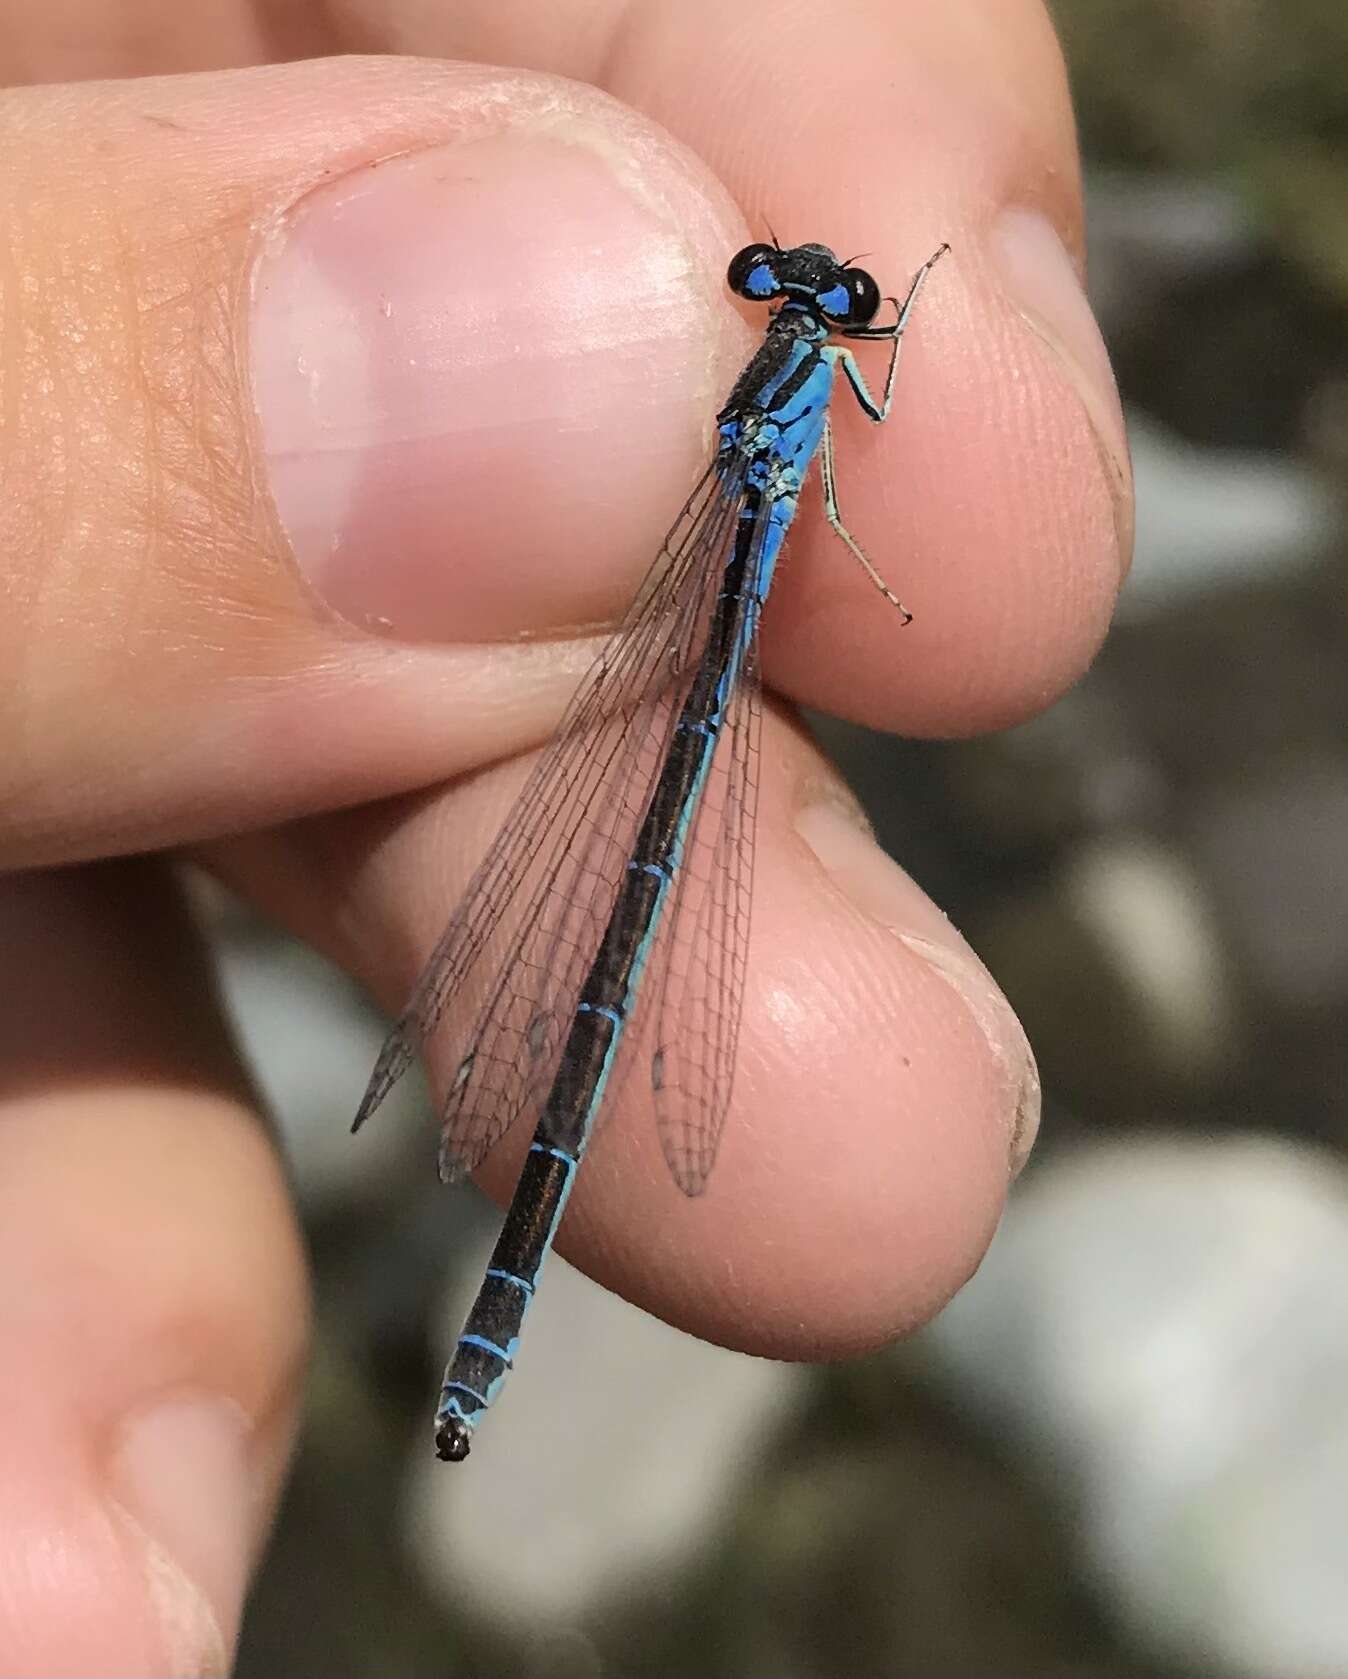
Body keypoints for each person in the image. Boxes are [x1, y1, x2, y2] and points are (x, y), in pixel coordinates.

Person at [0, 5, 1131, 1670]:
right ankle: (481, 1343)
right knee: (657, 936)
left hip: (704, 601)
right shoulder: (816, 377)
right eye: (812, 299)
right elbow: (857, 452)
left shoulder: (783, 371)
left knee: (695, 956)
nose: (814, 300)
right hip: (694, 600)